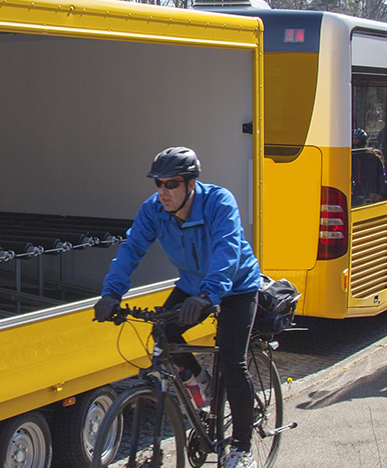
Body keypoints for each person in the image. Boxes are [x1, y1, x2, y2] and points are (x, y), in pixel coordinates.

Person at [93, 147, 264, 468]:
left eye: (171, 184)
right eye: (158, 183)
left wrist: (210, 295)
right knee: (165, 334)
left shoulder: (219, 202)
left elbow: (228, 249)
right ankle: (201, 381)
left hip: (237, 286)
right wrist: (111, 293)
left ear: (190, 184)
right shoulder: (153, 210)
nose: (163, 191)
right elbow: (131, 249)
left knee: (232, 362)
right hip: (193, 285)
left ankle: (242, 448)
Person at [351, 128, 387, 205]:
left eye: (359, 145)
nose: (356, 149)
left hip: (370, 197)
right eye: (353, 145)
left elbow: (381, 177)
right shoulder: (348, 158)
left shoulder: (373, 157)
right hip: (354, 195)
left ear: (365, 144)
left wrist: (378, 193)